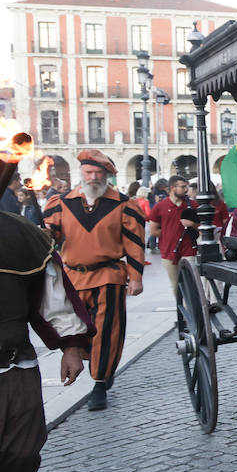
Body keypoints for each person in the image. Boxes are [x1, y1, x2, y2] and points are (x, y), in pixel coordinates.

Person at [0, 205, 93, 472]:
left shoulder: (19, 233)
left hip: (13, 366)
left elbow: (53, 297)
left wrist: (70, 346)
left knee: (22, 453)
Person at [41, 150, 146, 410]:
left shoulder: (124, 204)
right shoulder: (61, 203)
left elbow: (134, 243)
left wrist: (135, 277)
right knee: (78, 330)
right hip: (73, 277)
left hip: (108, 275)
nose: (94, 177)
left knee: (107, 330)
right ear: (82, 174)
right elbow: (49, 236)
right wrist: (42, 235)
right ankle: (100, 366)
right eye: (89, 172)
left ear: (107, 175)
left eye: (99, 173)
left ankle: (99, 383)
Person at [149, 175, 196, 287]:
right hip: (169, 251)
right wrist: (168, 234)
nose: (186, 190)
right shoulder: (160, 206)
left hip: (189, 249)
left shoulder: (192, 205)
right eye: (182, 187)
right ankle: (181, 304)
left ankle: (192, 304)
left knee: (192, 284)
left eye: (186, 187)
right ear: (172, 188)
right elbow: (153, 230)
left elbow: (202, 226)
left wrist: (192, 224)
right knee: (176, 285)